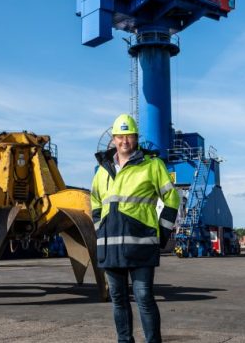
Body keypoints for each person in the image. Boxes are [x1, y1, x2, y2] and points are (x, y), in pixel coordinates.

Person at [91, 114, 180, 343]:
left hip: (140, 245)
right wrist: (101, 230)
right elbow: (95, 203)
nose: (124, 141)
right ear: (114, 138)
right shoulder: (102, 171)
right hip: (110, 248)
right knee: (118, 299)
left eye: (128, 136)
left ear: (136, 138)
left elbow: (171, 198)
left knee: (144, 297)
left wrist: (162, 231)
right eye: (120, 136)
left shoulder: (152, 165)